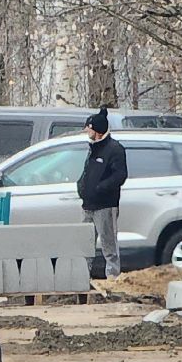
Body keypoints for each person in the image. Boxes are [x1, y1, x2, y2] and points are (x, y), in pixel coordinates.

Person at [77, 107, 128, 281]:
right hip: (88, 205)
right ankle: (82, 278)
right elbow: (87, 171)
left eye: (89, 129)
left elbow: (120, 175)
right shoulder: (93, 148)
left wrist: (100, 188)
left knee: (109, 246)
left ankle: (112, 280)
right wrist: (82, 186)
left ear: (97, 130)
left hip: (105, 206)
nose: (87, 132)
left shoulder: (114, 149)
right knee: (84, 245)